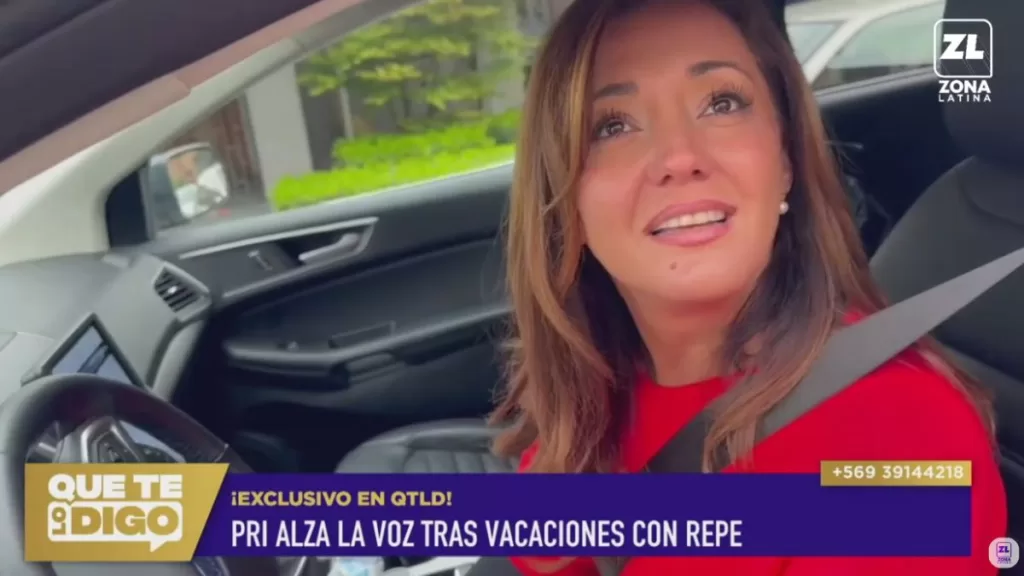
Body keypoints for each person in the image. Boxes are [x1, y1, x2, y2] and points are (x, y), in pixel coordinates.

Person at [487, 0, 1007, 573]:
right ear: (565, 201)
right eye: (613, 126)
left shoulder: (898, 436)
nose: (679, 158)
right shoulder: (589, 397)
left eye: (722, 103)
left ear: (785, 159)